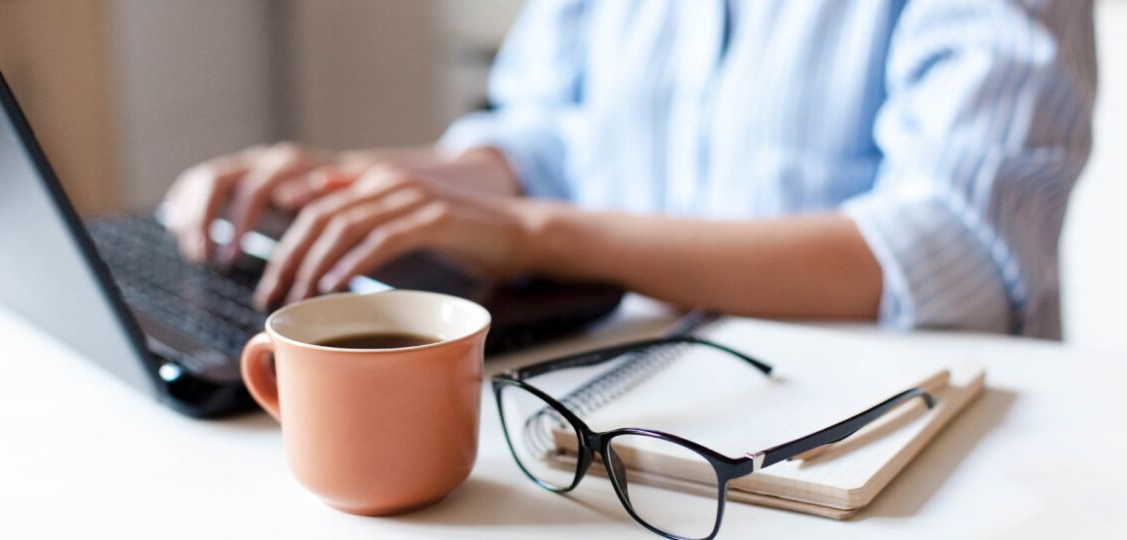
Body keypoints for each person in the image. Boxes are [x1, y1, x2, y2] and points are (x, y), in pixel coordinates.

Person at [163, 0, 1096, 340]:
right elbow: (556, 140)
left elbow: (957, 252)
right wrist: (354, 187)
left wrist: (544, 236)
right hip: (640, 409)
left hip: (878, 448)